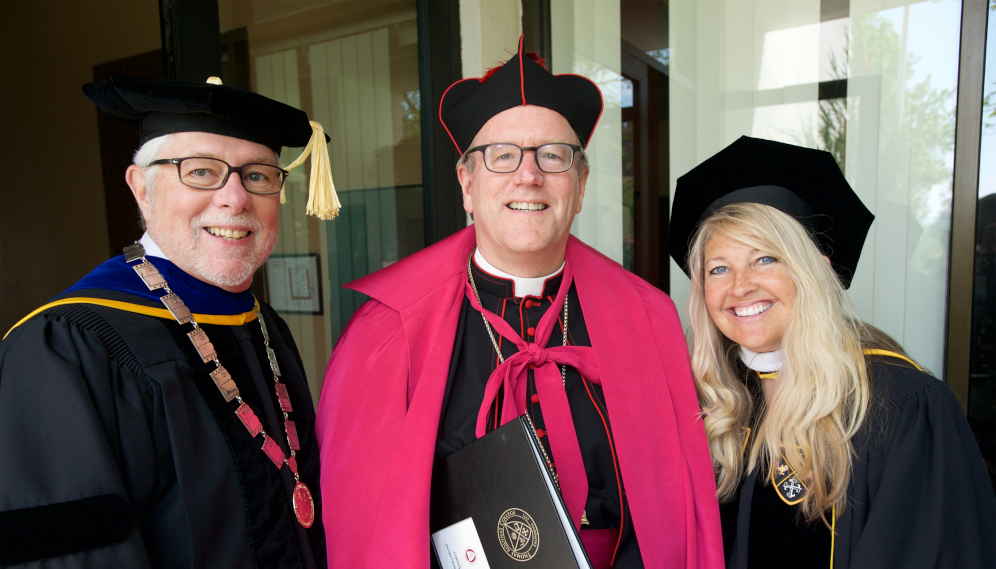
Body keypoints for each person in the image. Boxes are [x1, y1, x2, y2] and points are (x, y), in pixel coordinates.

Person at [316, 36, 723, 569]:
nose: (527, 175)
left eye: (553, 157)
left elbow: (676, 513)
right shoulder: (386, 331)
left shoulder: (646, 319)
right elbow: (366, 531)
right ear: (467, 182)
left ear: (579, 185)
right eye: (502, 156)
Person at [0, 76, 340, 568]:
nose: (235, 199)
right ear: (141, 187)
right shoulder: (67, 346)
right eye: (201, 172)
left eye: (259, 176)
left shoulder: (263, 326)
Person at [666, 136, 996, 568]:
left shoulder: (900, 407)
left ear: (816, 269)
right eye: (719, 268)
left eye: (766, 259)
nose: (740, 286)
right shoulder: (710, 401)